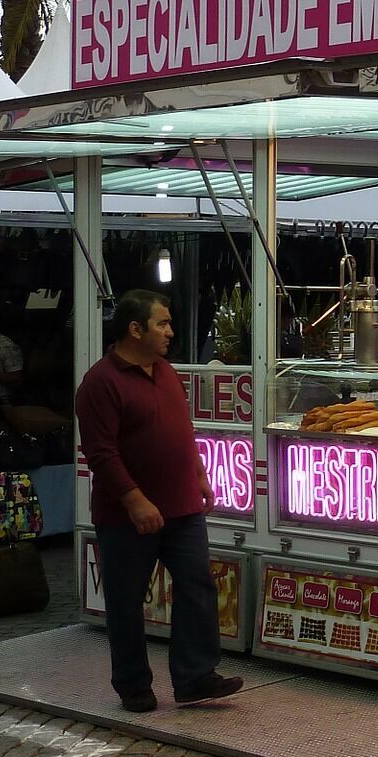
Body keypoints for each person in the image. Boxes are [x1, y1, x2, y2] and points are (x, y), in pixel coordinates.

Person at [76, 291, 243, 713]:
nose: (170, 332)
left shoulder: (166, 371)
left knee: (198, 585)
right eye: (162, 324)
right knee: (127, 600)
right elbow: (101, 453)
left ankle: (194, 676)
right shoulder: (100, 382)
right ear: (135, 329)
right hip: (128, 515)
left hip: (182, 506)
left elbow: (181, 430)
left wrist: (200, 475)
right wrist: (134, 500)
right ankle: (133, 685)